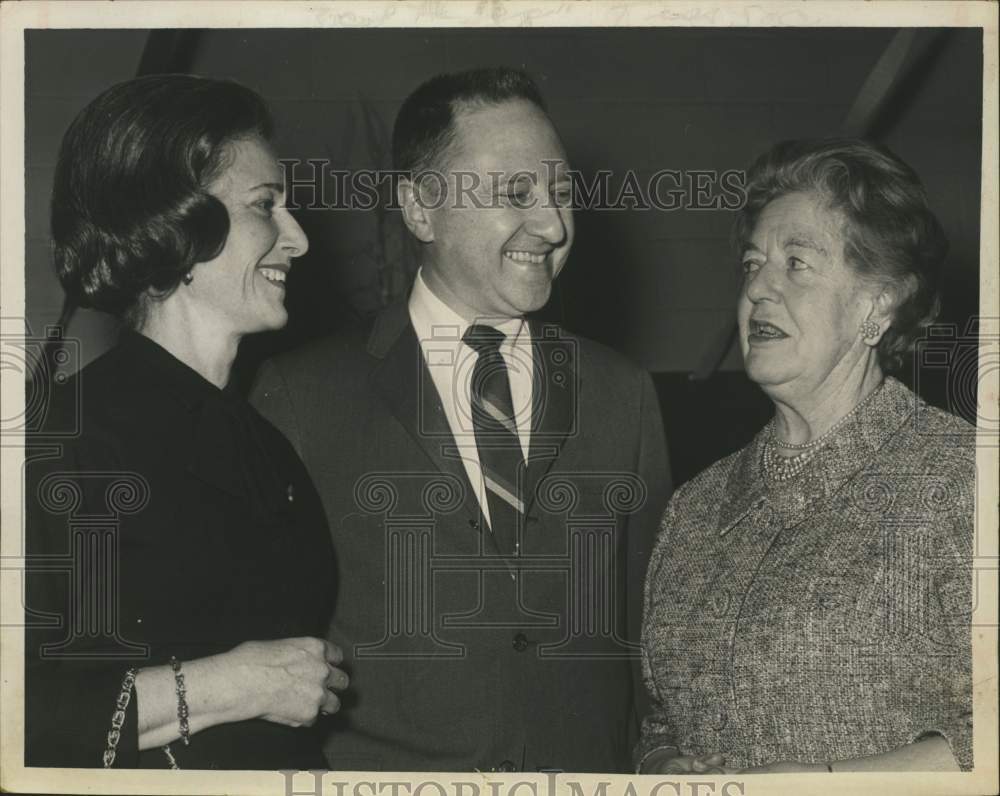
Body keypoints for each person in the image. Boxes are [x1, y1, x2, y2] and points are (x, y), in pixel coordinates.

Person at [251, 67, 671, 773]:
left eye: (561, 191)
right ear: (420, 210)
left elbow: (651, 640)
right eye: (516, 193)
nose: (552, 223)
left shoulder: (621, 394)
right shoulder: (301, 394)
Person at [25, 74, 348, 769]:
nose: (297, 238)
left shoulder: (269, 446)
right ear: (175, 223)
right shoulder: (62, 442)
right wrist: (230, 686)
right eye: (266, 205)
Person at [637, 138, 974, 775]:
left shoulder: (959, 481)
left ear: (878, 304)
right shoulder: (696, 506)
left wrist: (821, 786)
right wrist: (660, 761)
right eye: (752, 264)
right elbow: (658, 712)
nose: (759, 288)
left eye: (797, 263)